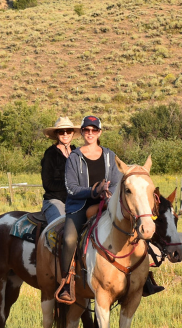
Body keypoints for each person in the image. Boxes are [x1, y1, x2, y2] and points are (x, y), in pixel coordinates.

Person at [57, 115, 162, 302]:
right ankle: (67, 281)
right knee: (70, 237)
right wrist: (94, 190)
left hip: (105, 203)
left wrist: (109, 194)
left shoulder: (109, 155)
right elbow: (70, 187)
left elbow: (116, 182)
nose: (90, 133)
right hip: (79, 205)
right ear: (81, 132)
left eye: (94, 130)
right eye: (87, 130)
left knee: (133, 229)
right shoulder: (74, 157)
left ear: (99, 132)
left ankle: (144, 278)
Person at [40, 116, 77, 223]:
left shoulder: (78, 153)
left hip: (76, 200)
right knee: (61, 226)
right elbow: (47, 184)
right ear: (56, 134)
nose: (65, 134)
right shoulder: (50, 154)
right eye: (61, 132)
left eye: (68, 131)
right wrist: (70, 185)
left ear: (72, 133)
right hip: (55, 200)